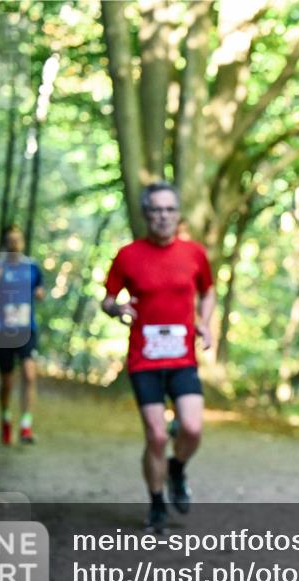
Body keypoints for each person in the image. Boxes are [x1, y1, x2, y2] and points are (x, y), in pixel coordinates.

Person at [101, 182, 215, 534]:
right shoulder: (127, 255)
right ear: (146, 214)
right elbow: (107, 298)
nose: (163, 216)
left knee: (192, 429)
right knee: (156, 436)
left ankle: (177, 469)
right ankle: (156, 506)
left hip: (182, 358)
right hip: (143, 360)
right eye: (156, 210)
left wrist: (205, 324)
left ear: (177, 214)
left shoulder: (194, 254)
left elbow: (208, 290)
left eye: (169, 209)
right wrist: (117, 308)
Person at [0, 225, 45, 446]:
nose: (14, 244)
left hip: (27, 329)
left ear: (22, 242)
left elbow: (41, 290)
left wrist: (40, 293)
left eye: (18, 240)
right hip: (3, 331)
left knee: (30, 375)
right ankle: (5, 419)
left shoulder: (32, 267)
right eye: (10, 241)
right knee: (7, 382)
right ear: (5, 244)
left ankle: (26, 425)